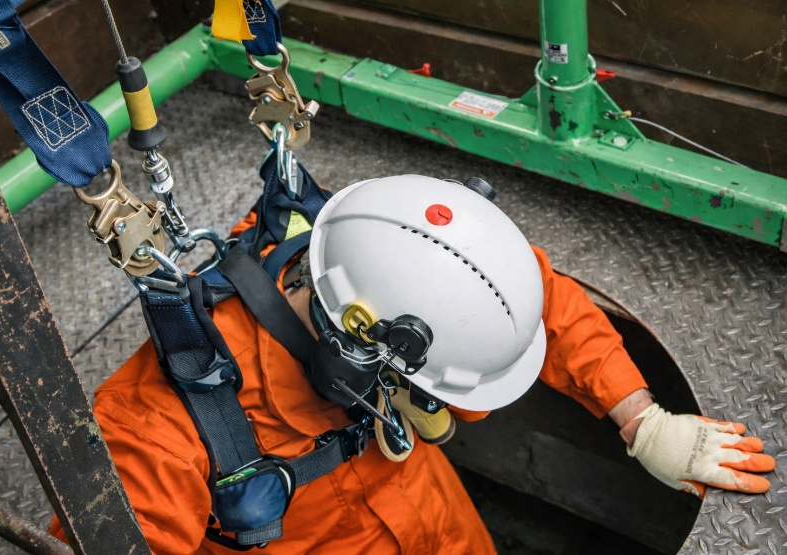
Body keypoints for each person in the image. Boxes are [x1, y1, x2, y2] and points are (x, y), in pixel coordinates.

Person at [51, 174, 775, 554]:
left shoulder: (385, 238)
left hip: (441, 528)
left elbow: (528, 295)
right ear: (368, 352)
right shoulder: (155, 432)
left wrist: (641, 418)